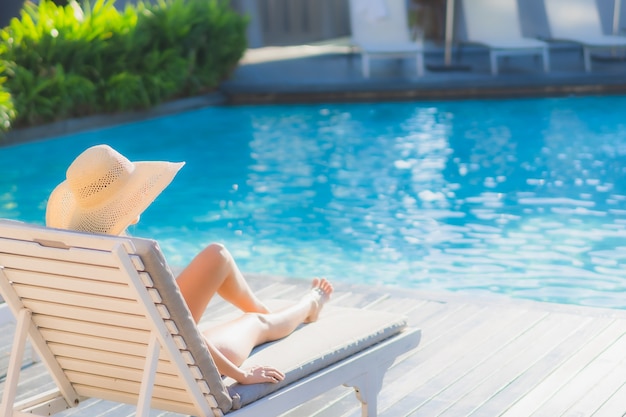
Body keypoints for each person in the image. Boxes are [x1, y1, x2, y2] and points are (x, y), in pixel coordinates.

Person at [45, 144, 333, 385]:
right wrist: (242, 375)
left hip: (115, 365)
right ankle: (308, 306)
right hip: (170, 368)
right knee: (255, 324)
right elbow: (177, 329)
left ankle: (270, 314)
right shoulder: (129, 260)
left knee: (216, 255)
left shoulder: (75, 257)